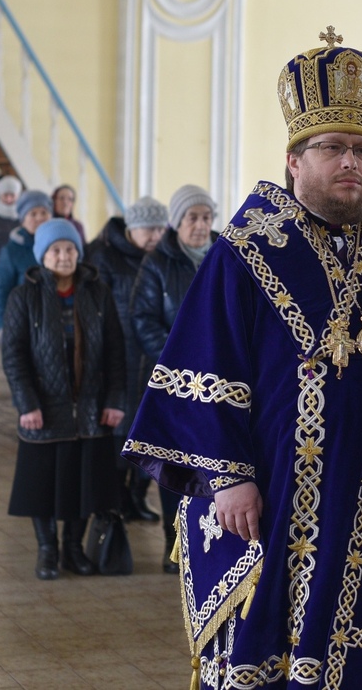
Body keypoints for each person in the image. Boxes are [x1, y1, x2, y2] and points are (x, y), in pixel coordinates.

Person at [123, 30, 362, 688]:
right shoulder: (245, 250)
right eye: (332, 148)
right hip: (277, 498)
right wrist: (227, 475)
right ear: (294, 159)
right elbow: (206, 367)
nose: (350, 162)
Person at [3, 219, 125, 581]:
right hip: (43, 408)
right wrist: (27, 404)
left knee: (83, 484)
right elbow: (14, 355)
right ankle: (47, 551)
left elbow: (116, 352)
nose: (63, 256)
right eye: (55, 250)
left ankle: (73, 548)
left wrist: (115, 399)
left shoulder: (97, 292)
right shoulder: (24, 296)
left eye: (70, 249)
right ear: (43, 255)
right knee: (41, 486)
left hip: (89, 409)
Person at [130, 183, 217, 570]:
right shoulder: (160, 261)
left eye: (206, 217)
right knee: (177, 462)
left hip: (219, 378)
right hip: (174, 382)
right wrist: (178, 357)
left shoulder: (224, 254)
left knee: (216, 461)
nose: (200, 225)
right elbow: (143, 318)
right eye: (192, 217)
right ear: (176, 221)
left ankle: (208, 540)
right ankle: (174, 543)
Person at [86, 195, 168, 523]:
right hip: (119, 356)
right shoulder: (104, 257)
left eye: (161, 228)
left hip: (153, 355)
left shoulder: (162, 258)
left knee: (150, 434)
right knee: (120, 434)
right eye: (148, 228)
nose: (155, 235)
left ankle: (137, 497)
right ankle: (117, 500)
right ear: (132, 229)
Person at [0, 190, 52, 330]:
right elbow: (1, 292)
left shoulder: (59, 247)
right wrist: (3, 328)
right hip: (23, 324)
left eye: (44, 213)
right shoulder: (11, 251)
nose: (39, 218)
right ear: (23, 218)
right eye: (33, 214)